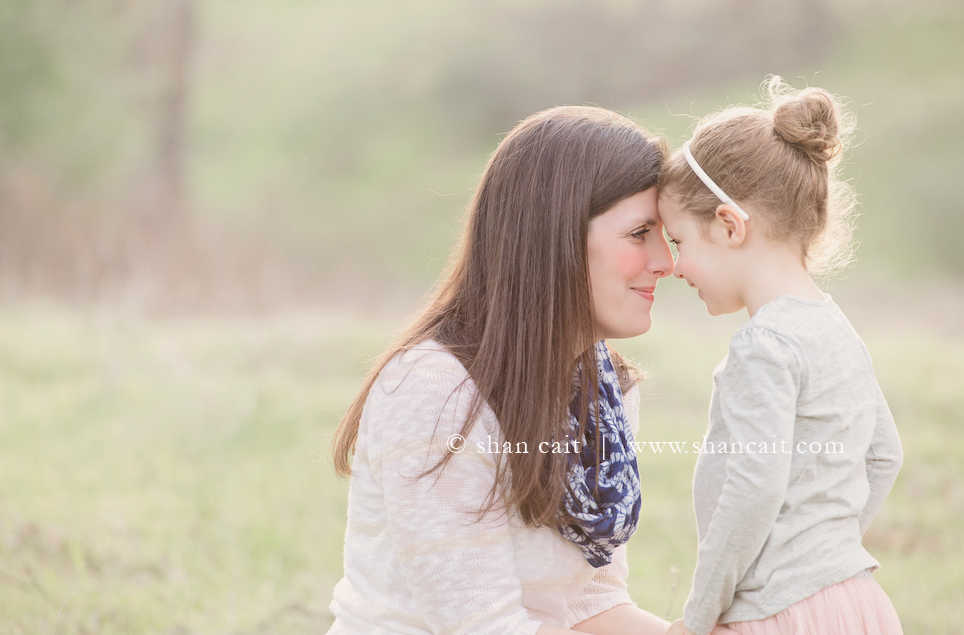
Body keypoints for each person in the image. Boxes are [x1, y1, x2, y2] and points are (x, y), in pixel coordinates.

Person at [328, 106, 676, 634]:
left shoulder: (604, 390)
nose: (665, 261)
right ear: (553, 237)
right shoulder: (434, 391)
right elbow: (483, 627)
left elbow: (591, 604)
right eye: (639, 233)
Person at [658, 77, 904, 635]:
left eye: (679, 241)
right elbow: (884, 455)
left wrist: (698, 619)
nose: (674, 266)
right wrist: (824, 556)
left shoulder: (762, 344)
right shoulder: (835, 328)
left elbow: (754, 486)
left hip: (780, 614)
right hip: (857, 603)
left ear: (728, 225)